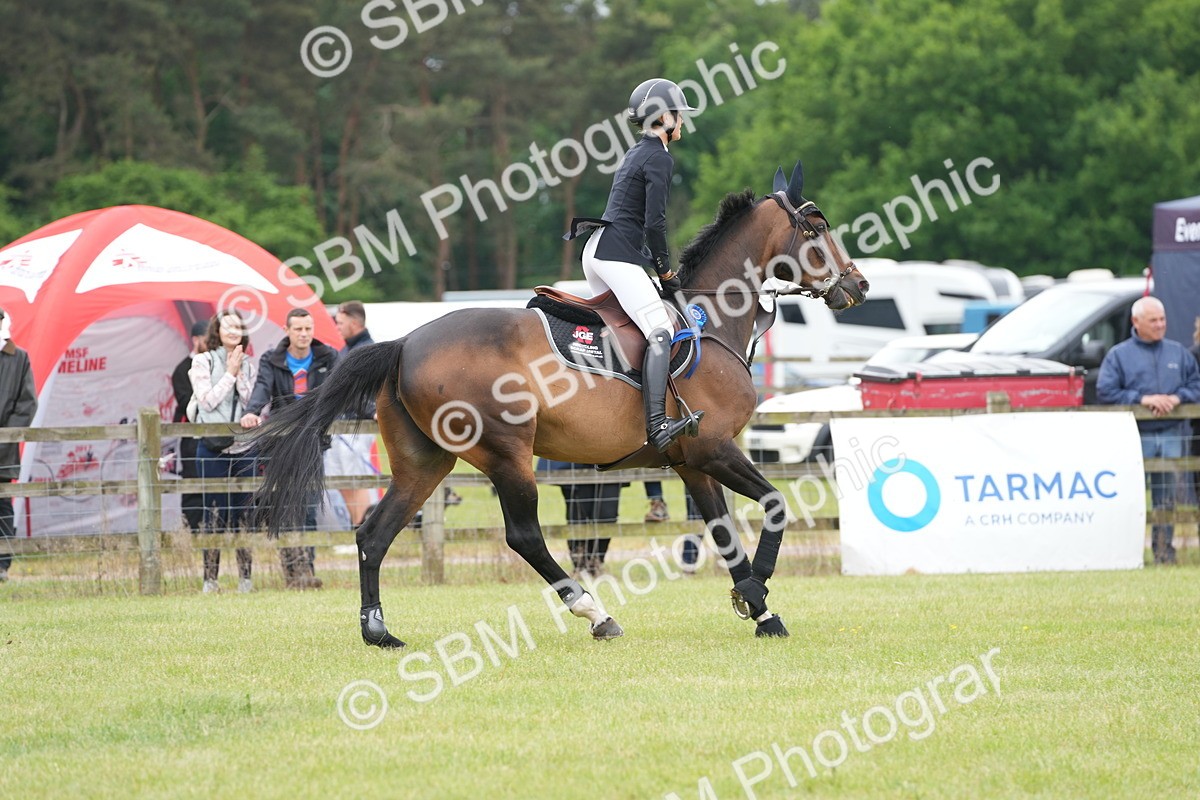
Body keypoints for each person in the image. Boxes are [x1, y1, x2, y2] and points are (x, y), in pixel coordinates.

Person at [564, 78, 704, 452]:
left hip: (597, 252)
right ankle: (657, 426)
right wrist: (666, 272)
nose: (684, 122)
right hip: (617, 255)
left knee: (627, 331)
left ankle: (611, 410)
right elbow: (655, 224)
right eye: (680, 115)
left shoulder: (637, 152)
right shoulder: (659, 156)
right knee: (660, 328)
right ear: (664, 117)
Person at [1097, 297, 1200, 564]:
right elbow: (1106, 391)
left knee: (1165, 498)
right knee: (1127, 497)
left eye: (1162, 319)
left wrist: (1177, 398)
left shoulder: (1179, 353)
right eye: (1153, 320)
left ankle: (1164, 554)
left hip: (1170, 434)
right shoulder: (1118, 356)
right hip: (1132, 436)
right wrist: (1143, 400)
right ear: (1136, 322)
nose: (1160, 325)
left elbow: (1196, 385)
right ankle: (1121, 555)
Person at [241, 308, 339, 588]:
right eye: (298, 329)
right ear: (287, 330)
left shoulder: (327, 357)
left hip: (312, 442)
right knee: (283, 507)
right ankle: (291, 571)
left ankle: (307, 569)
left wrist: (370, 412)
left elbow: (344, 388)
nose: (304, 334)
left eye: (308, 328)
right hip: (280, 443)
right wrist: (252, 411)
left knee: (309, 506)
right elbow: (262, 389)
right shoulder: (272, 359)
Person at [189, 310, 258, 593]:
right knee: (213, 514)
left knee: (244, 515)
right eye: (227, 326)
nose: (233, 331)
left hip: (244, 447)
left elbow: (251, 400)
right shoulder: (201, 361)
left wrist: (239, 371)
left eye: (238, 326)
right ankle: (210, 579)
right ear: (217, 330)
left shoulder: (250, 364)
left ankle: (246, 578)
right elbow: (207, 401)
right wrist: (229, 374)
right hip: (212, 446)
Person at [328, 301, 378, 527]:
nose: (337, 326)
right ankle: (355, 525)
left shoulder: (367, 350)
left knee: (356, 480)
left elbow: (364, 392)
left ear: (355, 322)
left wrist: (372, 412)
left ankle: (362, 529)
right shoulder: (346, 350)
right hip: (341, 424)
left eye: (340, 322)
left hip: (358, 424)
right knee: (343, 480)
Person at [0, 308, 37, 582]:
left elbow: (26, 404)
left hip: (2, 451)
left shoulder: (18, 357)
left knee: (1, 507)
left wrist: (4, 437)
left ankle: (1, 565)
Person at [171, 320, 208, 533]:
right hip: (192, 439)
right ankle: (193, 532)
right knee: (193, 487)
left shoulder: (218, 365)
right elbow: (187, 404)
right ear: (195, 340)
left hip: (216, 439)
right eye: (207, 338)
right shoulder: (182, 370)